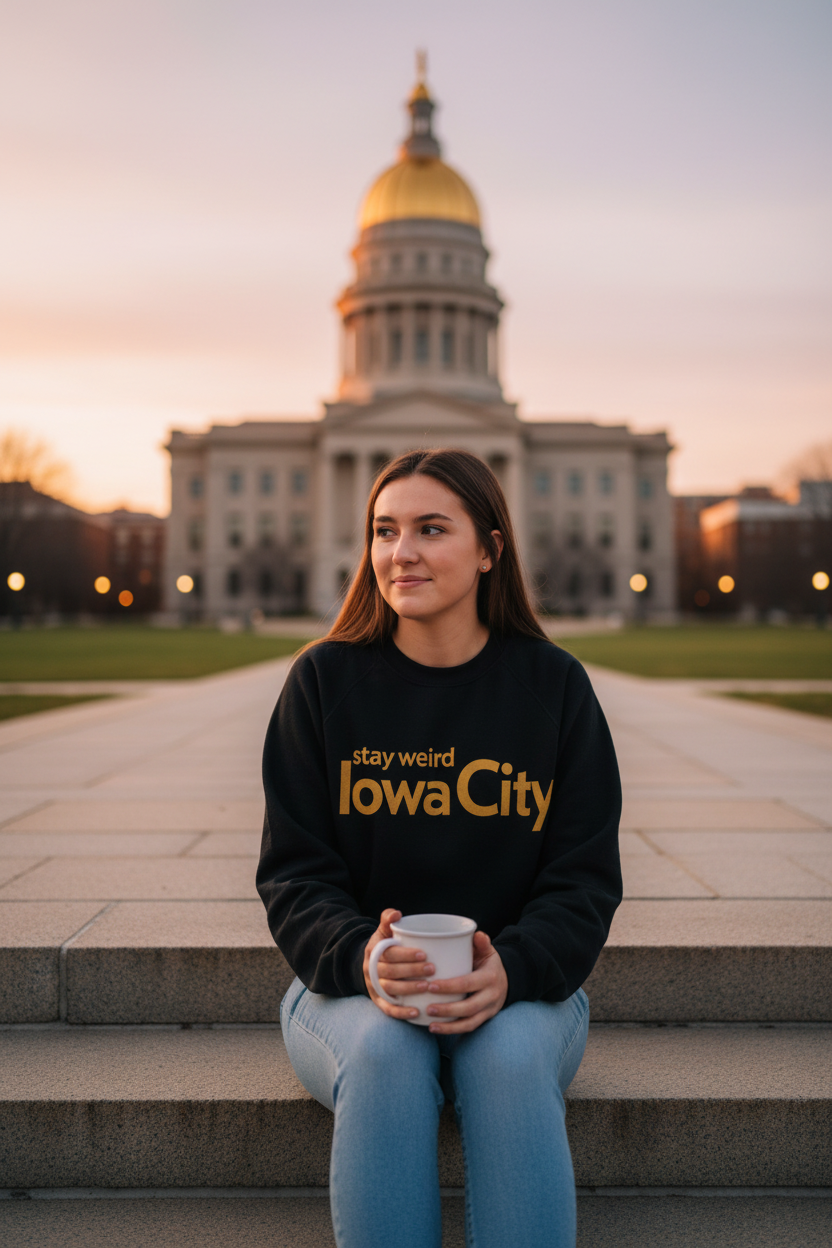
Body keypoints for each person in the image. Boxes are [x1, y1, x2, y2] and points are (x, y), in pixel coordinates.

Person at [257, 448, 622, 1248]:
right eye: (384, 531)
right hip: (347, 993)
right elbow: (295, 875)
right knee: (386, 1054)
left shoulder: (554, 687)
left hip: (525, 991)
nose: (401, 552)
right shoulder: (322, 683)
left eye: (430, 528)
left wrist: (514, 969)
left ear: (490, 549)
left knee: (507, 1059)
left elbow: (584, 879)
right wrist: (362, 957)